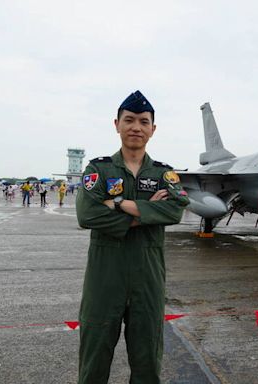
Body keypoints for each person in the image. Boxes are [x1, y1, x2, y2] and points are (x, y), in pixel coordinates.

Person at [76, 90, 189, 384]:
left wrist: (115, 203)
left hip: (147, 278)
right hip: (104, 277)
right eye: (129, 120)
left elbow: (175, 211)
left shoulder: (165, 175)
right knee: (93, 360)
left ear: (153, 129)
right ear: (117, 125)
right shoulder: (98, 169)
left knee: (147, 361)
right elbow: (87, 214)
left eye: (143, 121)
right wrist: (147, 211)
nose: (135, 127)